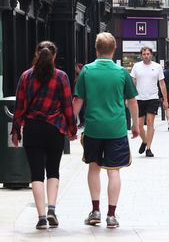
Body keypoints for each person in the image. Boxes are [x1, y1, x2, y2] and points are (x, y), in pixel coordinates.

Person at [73, 33, 139, 228]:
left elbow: (78, 100)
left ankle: (95, 211)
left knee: (93, 167)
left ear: (96, 49)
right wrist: (135, 125)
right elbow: (132, 101)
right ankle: (111, 214)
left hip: (93, 128)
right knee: (114, 171)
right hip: (116, 129)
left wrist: (72, 123)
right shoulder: (121, 72)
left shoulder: (87, 70)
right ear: (114, 48)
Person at [11, 41, 77, 230]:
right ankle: (52, 210)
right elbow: (67, 106)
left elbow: (19, 107)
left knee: (36, 174)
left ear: (37, 54)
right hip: (54, 129)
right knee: (53, 171)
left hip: (32, 130)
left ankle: (41, 218)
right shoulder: (61, 77)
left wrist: (15, 131)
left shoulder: (26, 76)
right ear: (54, 56)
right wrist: (72, 130)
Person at [130, 47, 168, 157]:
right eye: (144, 54)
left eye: (148, 54)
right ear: (141, 55)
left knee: (150, 122)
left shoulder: (157, 67)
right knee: (140, 125)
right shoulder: (136, 66)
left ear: (151, 55)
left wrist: (165, 100)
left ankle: (148, 148)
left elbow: (162, 84)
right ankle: (145, 140)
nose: (146, 55)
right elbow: (132, 82)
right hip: (139, 98)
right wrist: (129, 98)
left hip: (153, 98)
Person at [75, 63, 85, 128]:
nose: (75, 69)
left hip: (80, 95)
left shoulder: (81, 76)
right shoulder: (79, 75)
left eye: (76, 68)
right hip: (79, 95)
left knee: (82, 109)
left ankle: (82, 122)